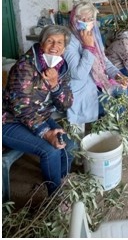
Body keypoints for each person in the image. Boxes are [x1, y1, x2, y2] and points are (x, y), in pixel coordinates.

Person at [2, 25, 76, 196]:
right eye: (49, 41)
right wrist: (45, 132)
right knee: (49, 150)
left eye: (59, 42)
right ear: (41, 44)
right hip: (9, 120)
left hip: (38, 116)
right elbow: (20, 106)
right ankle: (55, 196)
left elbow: (66, 104)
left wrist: (55, 85)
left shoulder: (61, 68)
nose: (54, 46)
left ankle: (61, 182)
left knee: (69, 145)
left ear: (64, 48)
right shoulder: (25, 66)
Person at [64, 0, 128, 135]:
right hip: (82, 89)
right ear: (74, 20)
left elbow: (105, 61)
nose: (86, 22)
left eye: (90, 19)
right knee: (116, 102)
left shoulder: (93, 35)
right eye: (82, 19)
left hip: (99, 81)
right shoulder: (70, 41)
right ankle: (118, 132)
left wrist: (118, 76)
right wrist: (88, 47)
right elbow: (79, 75)